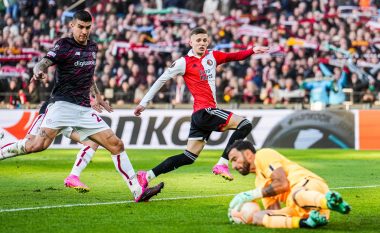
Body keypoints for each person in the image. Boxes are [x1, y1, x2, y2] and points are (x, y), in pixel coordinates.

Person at [0, 10, 163, 202]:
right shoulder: (63, 45)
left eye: (87, 27)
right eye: (80, 27)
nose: (84, 31)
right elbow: (43, 63)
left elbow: (89, 75)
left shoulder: (93, 47)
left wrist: (98, 96)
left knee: (116, 144)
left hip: (84, 109)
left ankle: (138, 191)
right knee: (36, 145)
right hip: (61, 105)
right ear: (72, 26)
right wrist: (39, 72)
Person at [134, 27, 269, 186]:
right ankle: (222, 164)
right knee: (245, 124)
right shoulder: (183, 62)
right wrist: (144, 103)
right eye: (198, 40)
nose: (202, 43)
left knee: (188, 157)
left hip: (200, 115)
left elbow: (234, 56)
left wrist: (252, 50)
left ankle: (147, 175)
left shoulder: (213, 56)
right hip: (206, 111)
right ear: (190, 42)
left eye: (205, 40)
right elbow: (161, 80)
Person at [227, 140, 351, 229]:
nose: (233, 166)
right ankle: (306, 223)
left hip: (310, 186)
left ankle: (330, 202)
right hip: (308, 210)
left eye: (235, 159)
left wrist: (251, 195)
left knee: (296, 195)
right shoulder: (259, 183)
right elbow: (274, 211)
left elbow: (283, 183)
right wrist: (244, 215)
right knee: (259, 217)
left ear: (248, 154)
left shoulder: (263, 155)